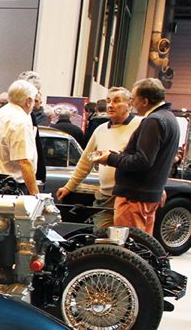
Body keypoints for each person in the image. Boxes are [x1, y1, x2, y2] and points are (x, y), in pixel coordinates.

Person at [95, 78, 182, 233]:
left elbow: (142, 161)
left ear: (145, 101)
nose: (132, 103)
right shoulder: (170, 119)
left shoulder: (153, 121)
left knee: (128, 244)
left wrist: (110, 158)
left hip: (135, 197)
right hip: (147, 195)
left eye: (134, 99)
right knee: (142, 244)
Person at [56, 87, 142, 229]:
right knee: (101, 235)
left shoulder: (141, 125)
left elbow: (150, 159)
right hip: (104, 196)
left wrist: (158, 186)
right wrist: (69, 187)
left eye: (116, 101)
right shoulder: (100, 130)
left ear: (129, 104)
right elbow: (85, 161)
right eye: (108, 101)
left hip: (130, 197)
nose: (110, 105)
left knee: (127, 238)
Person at [0, 79, 39, 195]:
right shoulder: (21, 120)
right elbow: (24, 162)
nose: (34, 106)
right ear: (28, 101)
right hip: (11, 187)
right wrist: (35, 195)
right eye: (34, 101)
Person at [17, 70, 47, 185]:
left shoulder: (28, 115)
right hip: (18, 178)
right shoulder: (22, 117)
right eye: (36, 92)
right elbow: (24, 157)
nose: (37, 95)